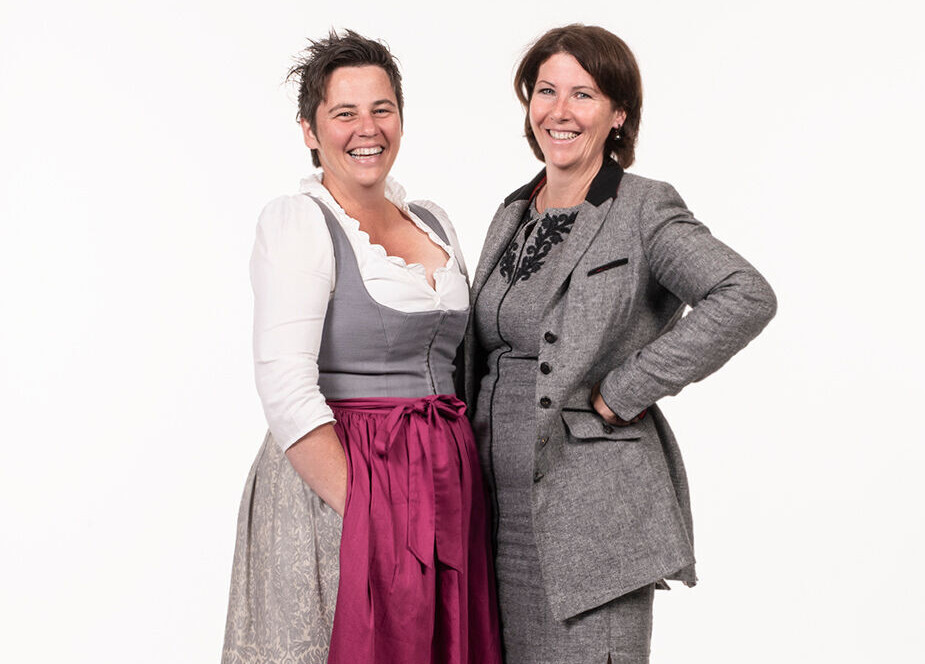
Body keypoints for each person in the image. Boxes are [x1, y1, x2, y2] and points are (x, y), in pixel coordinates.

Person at [465, 24, 777, 663]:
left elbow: (744, 294)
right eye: (546, 90)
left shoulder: (642, 208)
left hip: (589, 520)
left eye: (583, 94)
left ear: (618, 113)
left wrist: (622, 391)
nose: (560, 110)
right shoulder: (513, 211)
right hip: (497, 518)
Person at [222, 30, 501, 664]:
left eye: (381, 109)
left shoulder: (432, 221)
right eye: (343, 113)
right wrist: (374, 510)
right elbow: (287, 389)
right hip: (344, 476)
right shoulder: (298, 222)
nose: (365, 128)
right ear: (309, 130)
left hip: (441, 483)